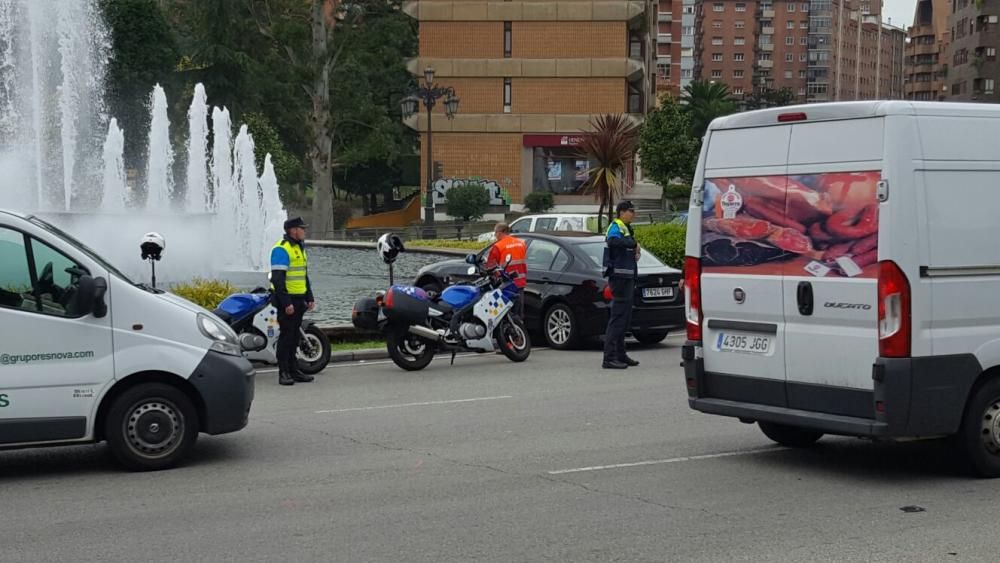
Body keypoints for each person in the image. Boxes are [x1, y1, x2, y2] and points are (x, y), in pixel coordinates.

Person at [270, 217, 316, 386]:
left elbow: (303, 275)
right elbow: (278, 279)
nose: (304, 231)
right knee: (286, 337)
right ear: (293, 230)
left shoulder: (299, 247)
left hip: (299, 299)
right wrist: (286, 303)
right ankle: (283, 372)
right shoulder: (282, 249)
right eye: (302, 228)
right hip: (287, 301)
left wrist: (309, 297)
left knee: (295, 336)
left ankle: (294, 370)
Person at [602, 201, 641, 370]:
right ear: (622, 212)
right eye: (631, 211)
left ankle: (620, 355)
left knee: (624, 319)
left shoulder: (625, 227)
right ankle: (609, 358)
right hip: (619, 278)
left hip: (626, 277)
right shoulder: (616, 226)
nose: (633, 214)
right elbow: (612, 242)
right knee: (617, 319)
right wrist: (633, 244)